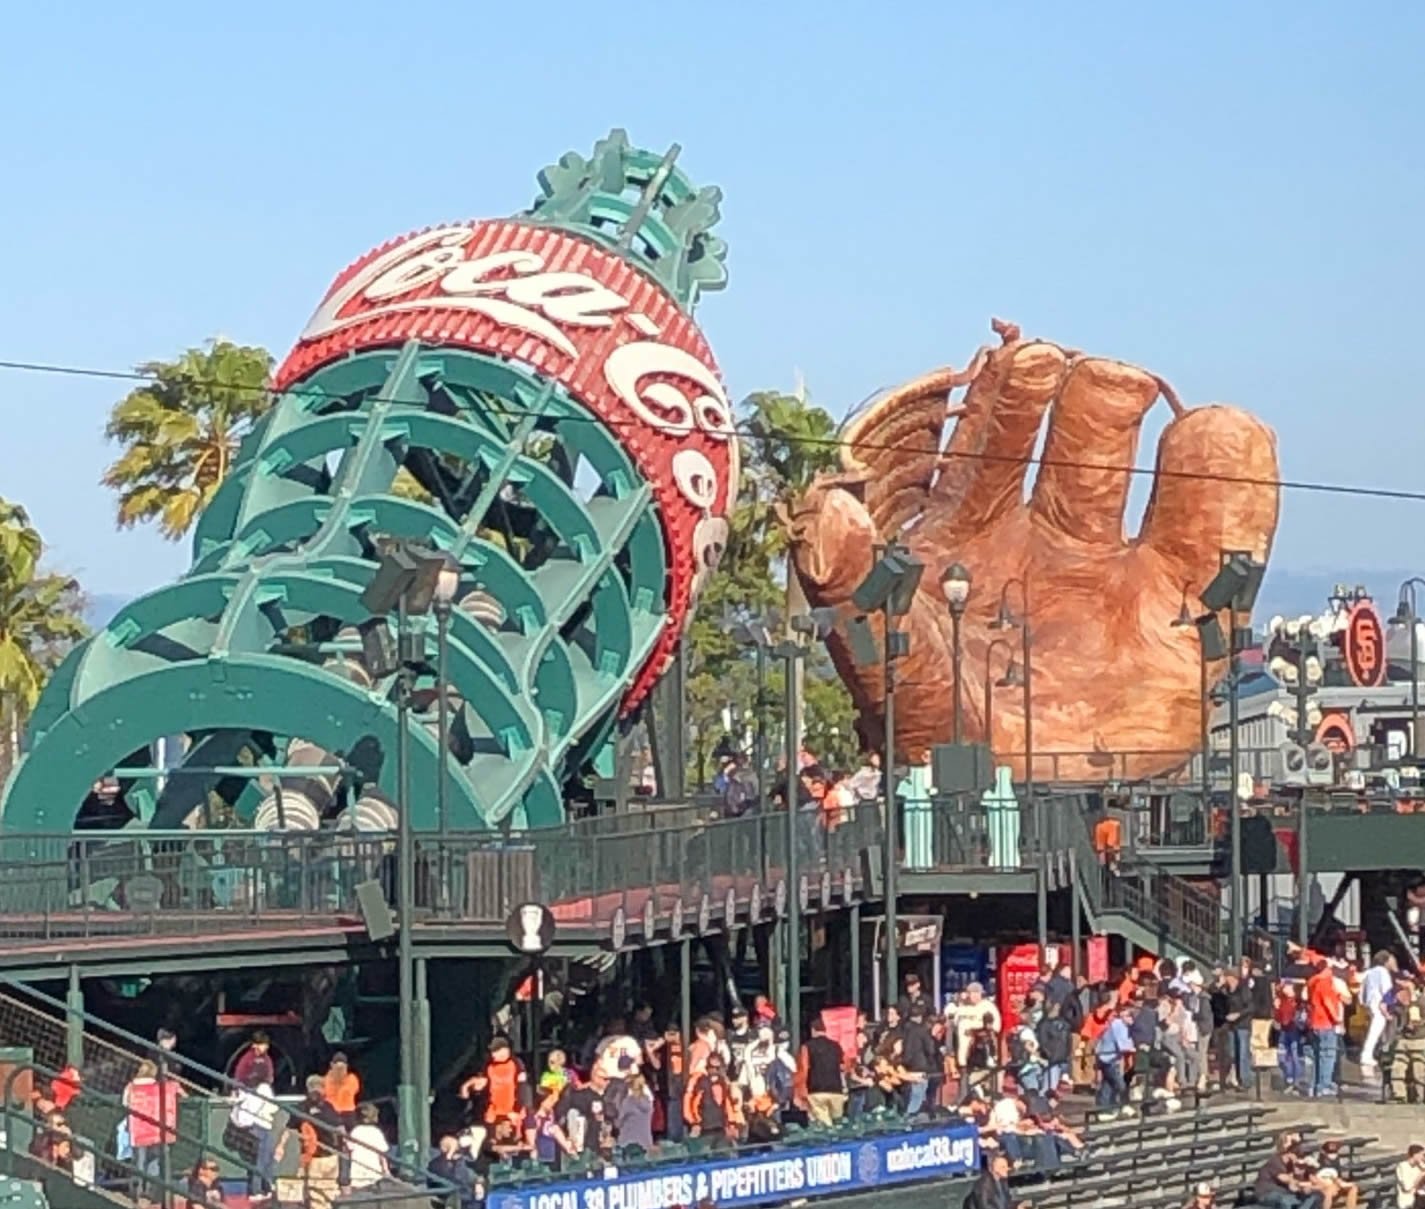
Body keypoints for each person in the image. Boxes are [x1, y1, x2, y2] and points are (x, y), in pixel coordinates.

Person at [1306, 961, 1344, 1099]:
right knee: (1328, 1055)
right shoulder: (1325, 982)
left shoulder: (1312, 982)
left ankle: (1315, 1086)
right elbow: (1328, 1002)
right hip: (1326, 1022)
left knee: (1317, 1055)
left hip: (1315, 1022)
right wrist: (1337, 1019)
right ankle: (1324, 1086)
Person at [1253, 1135, 1325, 1209]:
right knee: (1286, 1200)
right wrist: (1300, 1184)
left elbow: (1315, 1182)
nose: (1299, 1158)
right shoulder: (1275, 1161)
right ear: (1290, 1154)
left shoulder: (1295, 1165)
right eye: (1298, 1155)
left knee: (1317, 1196)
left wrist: (1310, 1187)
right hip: (1267, 1194)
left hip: (1286, 1193)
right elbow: (1286, 1179)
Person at [801, 1016, 848, 1125]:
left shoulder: (807, 1046)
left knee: (825, 1127)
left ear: (813, 1030)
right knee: (837, 1124)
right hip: (836, 1091)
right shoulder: (836, 1046)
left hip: (817, 1091)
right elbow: (844, 1067)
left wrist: (803, 1089)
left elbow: (804, 1068)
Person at [1360, 951, 1398, 1079]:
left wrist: (1364, 1002)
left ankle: (1374, 1053)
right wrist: (1388, 1008)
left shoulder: (1370, 972)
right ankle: (1367, 1055)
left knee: (1375, 1031)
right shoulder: (1383, 972)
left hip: (1370, 1004)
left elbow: (1362, 989)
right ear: (1386, 961)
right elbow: (1387, 990)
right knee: (1376, 1031)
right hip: (1380, 1004)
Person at [1388, 979, 1425, 1103]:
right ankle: (1399, 1094)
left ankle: (1420, 1095)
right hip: (1403, 1040)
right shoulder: (1400, 1005)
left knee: (1418, 1069)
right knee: (1398, 1068)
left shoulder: (1419, 1002)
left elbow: (1415, 1021)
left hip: (1418, 1040)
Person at [1093, 1003, 1133, 1112]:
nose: (1127, 1018)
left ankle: (1103, 1109)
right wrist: (1135, 1048)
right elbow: (1123, 1045)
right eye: (1124, 1016)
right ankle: (1121, 1107)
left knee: (1108, 1084)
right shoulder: (1118, 1025)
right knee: (1120, 1085)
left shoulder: (1123, 1027)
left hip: (1108, 1057)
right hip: (1107, 1058)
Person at [346, 1104, 390, 1191]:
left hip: (357, 1172)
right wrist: (386, 1170)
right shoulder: (377, 1132)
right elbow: (382, 1154)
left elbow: (349, 1150)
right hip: (374, 1172)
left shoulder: (355, 1131)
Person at [615, 1072, 655, 1153]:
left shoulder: (628, 1102)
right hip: (646, 1143)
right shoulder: (648, 1101)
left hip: (628, 1144)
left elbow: (618, 1123)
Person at [1396, 1144, 1425, 1208]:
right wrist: (1421, 1175)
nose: (1423, 1158)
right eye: (1422, 1155)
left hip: (1420, 1197)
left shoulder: (1420, 1166)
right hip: (1408, 1200)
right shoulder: (1402, 1166)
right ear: (1415, 1155)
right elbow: (1408, 1187)